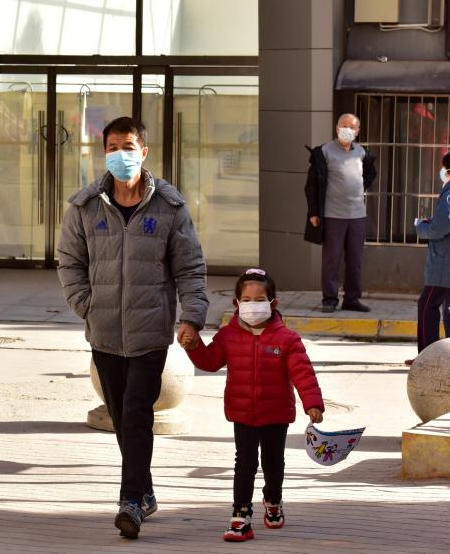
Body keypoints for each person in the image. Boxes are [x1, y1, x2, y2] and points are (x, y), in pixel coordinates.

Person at [57, 116, 208, 540]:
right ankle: (145, 491)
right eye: (112, 147)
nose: (120, 155)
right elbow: (69, 262)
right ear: (103, 152)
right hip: (104, 331)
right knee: (123, 419)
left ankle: (129, 501)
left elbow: (190, 267)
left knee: (138, 414)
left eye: (128, 147)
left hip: (149, 332)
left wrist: (192, 316)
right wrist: (87, 306)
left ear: (144, 151)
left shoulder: (169, 207)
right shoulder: (85, 206)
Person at [179, 268, 324, 543]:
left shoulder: (287, 339)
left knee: (273, 463)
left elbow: (303, 373)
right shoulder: (227, 336)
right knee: (244, 463)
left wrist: (312, 403)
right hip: (242, 413)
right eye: (246, 300)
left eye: (259, 300)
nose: (252, 305)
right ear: (236, 303)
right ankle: (240, 516)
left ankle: (273, 499)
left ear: (273, 303)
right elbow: (210, 361)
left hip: (276, 414)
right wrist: (194, 346)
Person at [304, 113, 377, 313]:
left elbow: (369, 174)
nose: (347, 129)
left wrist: (358, 187)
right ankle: (329, 299)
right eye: (343, 125)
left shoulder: (362, 153)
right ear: (336, 128)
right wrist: (313, 212)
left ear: (358, 131)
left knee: (355, 260)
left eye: (352, 126)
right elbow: (312, 185)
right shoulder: (324, 152)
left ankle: (352, 299)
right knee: (331, 260)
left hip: (357, 215)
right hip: (332, 215)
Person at [409, 152, 450, 366]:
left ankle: (427, 358)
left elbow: (440, 228)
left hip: (444, 262)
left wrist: (421, 226)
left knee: (427, 306)